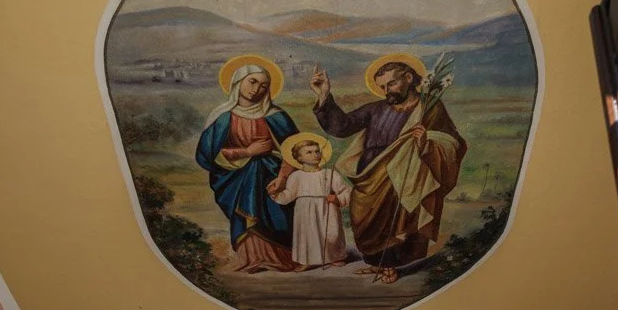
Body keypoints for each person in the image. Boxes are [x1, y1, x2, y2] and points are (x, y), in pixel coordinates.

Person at [311, 58, 466, 282]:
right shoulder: (376, 109)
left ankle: (394, 266)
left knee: (400, 221)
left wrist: (425, 142)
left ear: (409, 78)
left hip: (405, 174)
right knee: (363, 217)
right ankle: (379, 264)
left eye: (391, 84)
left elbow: (452, 143)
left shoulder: (430, 107)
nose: (386, 91)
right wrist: (323, 95)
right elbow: (343, 126)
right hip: (370, 174)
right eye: (382, 87)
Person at [196, 61, 298, 272]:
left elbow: (295, 148)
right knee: (244, 216)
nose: (256, 89)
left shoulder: (275, 115)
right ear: (238, 82)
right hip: (234, 177)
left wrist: (283, 178)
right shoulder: (222, 116)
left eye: (263, 86)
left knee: (276, 215)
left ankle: (281, 258)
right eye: (252, 82)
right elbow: (206, 155)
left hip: (270, 174)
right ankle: (250, 259)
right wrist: (247, 152)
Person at [271, 135, 350, 269]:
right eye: (309, 152)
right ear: (299, 158)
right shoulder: (296, 176)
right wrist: (276, 194)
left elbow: (345, 191)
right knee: (307, 235)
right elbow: (289, 194)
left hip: (327, 208)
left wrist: (337, 199)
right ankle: (306, 260)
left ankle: (333, 257)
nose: (315, 154)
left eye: (317, 151)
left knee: (331, 233)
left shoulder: (329, 173)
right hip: (305, 210)